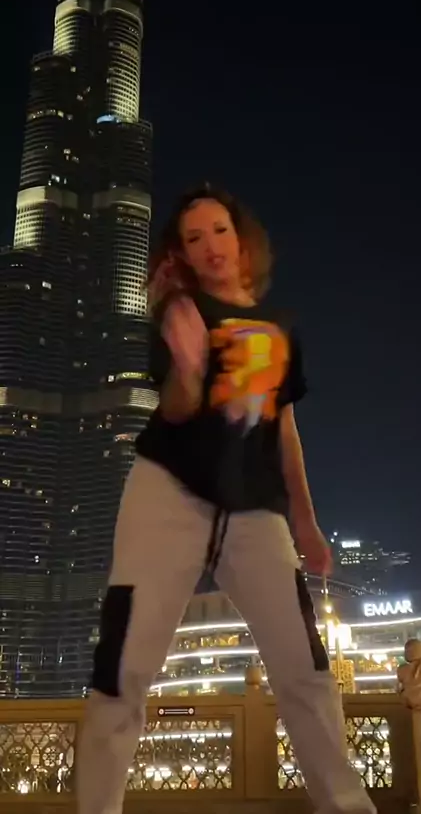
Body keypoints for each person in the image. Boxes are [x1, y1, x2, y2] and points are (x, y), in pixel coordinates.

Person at [76, 185, 376, 814]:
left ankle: (347, 806)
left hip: (256, 511)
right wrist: (188, 367)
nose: (210, 245)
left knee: (306, 668)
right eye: (194, 237)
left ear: (242, 240)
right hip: (168, 495)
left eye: (219, 230)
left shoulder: (281, 327)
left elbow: (283, 430)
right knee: (124, 665)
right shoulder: (180, 312)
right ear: (182, 253)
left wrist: (307, 523)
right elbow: (177, 409)